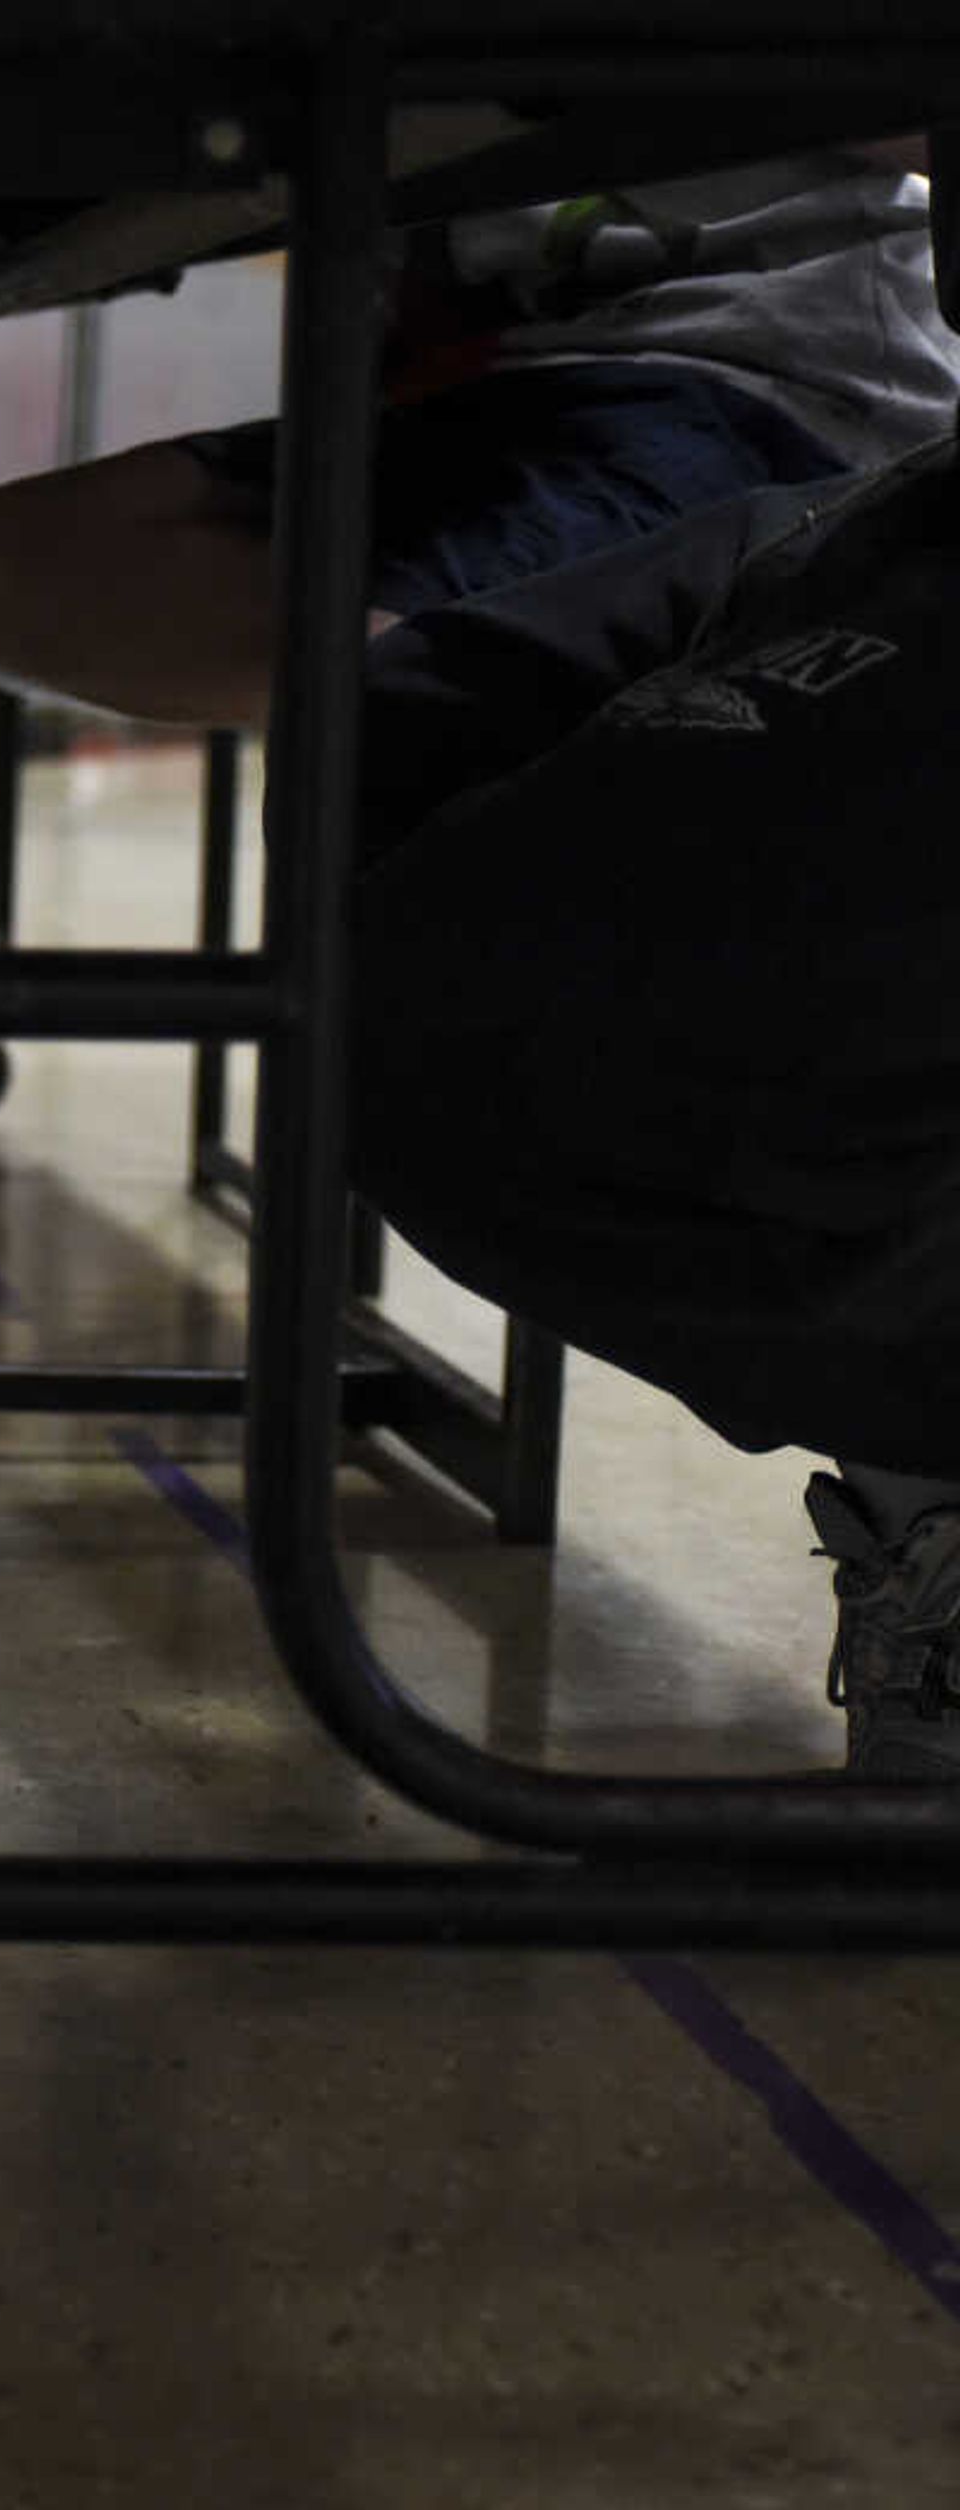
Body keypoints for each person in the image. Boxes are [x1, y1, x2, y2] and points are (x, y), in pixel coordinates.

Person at [343, 438, 960, 1777]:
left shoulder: (828, 522)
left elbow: (391, 706)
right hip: (813, 1173)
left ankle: (928, 1510)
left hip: (434, 1108)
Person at [0, 147, 956, 726]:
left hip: (769, 371)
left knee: (412, 696)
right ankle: (438, 709)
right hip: (514, 382)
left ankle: (440, 730)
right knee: (20, 557)